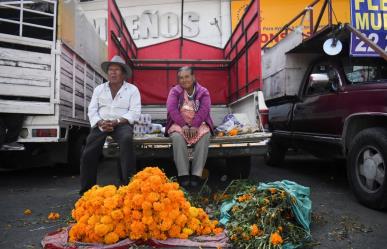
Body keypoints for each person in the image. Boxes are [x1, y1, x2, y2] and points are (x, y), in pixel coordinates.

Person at [79, 55, 141, 195]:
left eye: (116, 70)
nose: (113, 72)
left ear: (123, 73)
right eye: (110, 70)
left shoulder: (132, 90)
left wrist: (117, 121)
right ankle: (87, 190)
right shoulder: (99, 89)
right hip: (102, 123)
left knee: (126, 140)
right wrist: (100, 122)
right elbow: (92, 110)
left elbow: (135, 112)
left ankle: (128, 188)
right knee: (89, 149)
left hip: (121, 124)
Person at [165, 66, 214, 190]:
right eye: (180, 78)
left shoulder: (203, 91)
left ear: (193, 77)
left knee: (205, 136)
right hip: (179, 123)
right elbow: (172, 110)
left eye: (187, 76)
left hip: (198, 123)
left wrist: (195, 125)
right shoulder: (174, 91)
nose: (184, 80)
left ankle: (197, 174)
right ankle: (183, 175)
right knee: (176, 137)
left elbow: (204, 110)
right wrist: (183, 125)